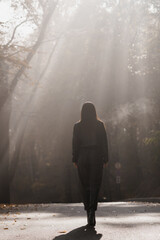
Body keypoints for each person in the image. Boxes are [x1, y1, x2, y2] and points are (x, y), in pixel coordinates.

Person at [72, 102, 109, 227]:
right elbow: (104, 142)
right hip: (96, 156)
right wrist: (105, 158)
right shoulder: (100, 125)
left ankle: (88, 209)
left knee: (84, 185)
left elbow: (75, 143)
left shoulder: (77, 126)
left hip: (82, 156)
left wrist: (75, 159)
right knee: (95, 185)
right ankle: (92, 211)